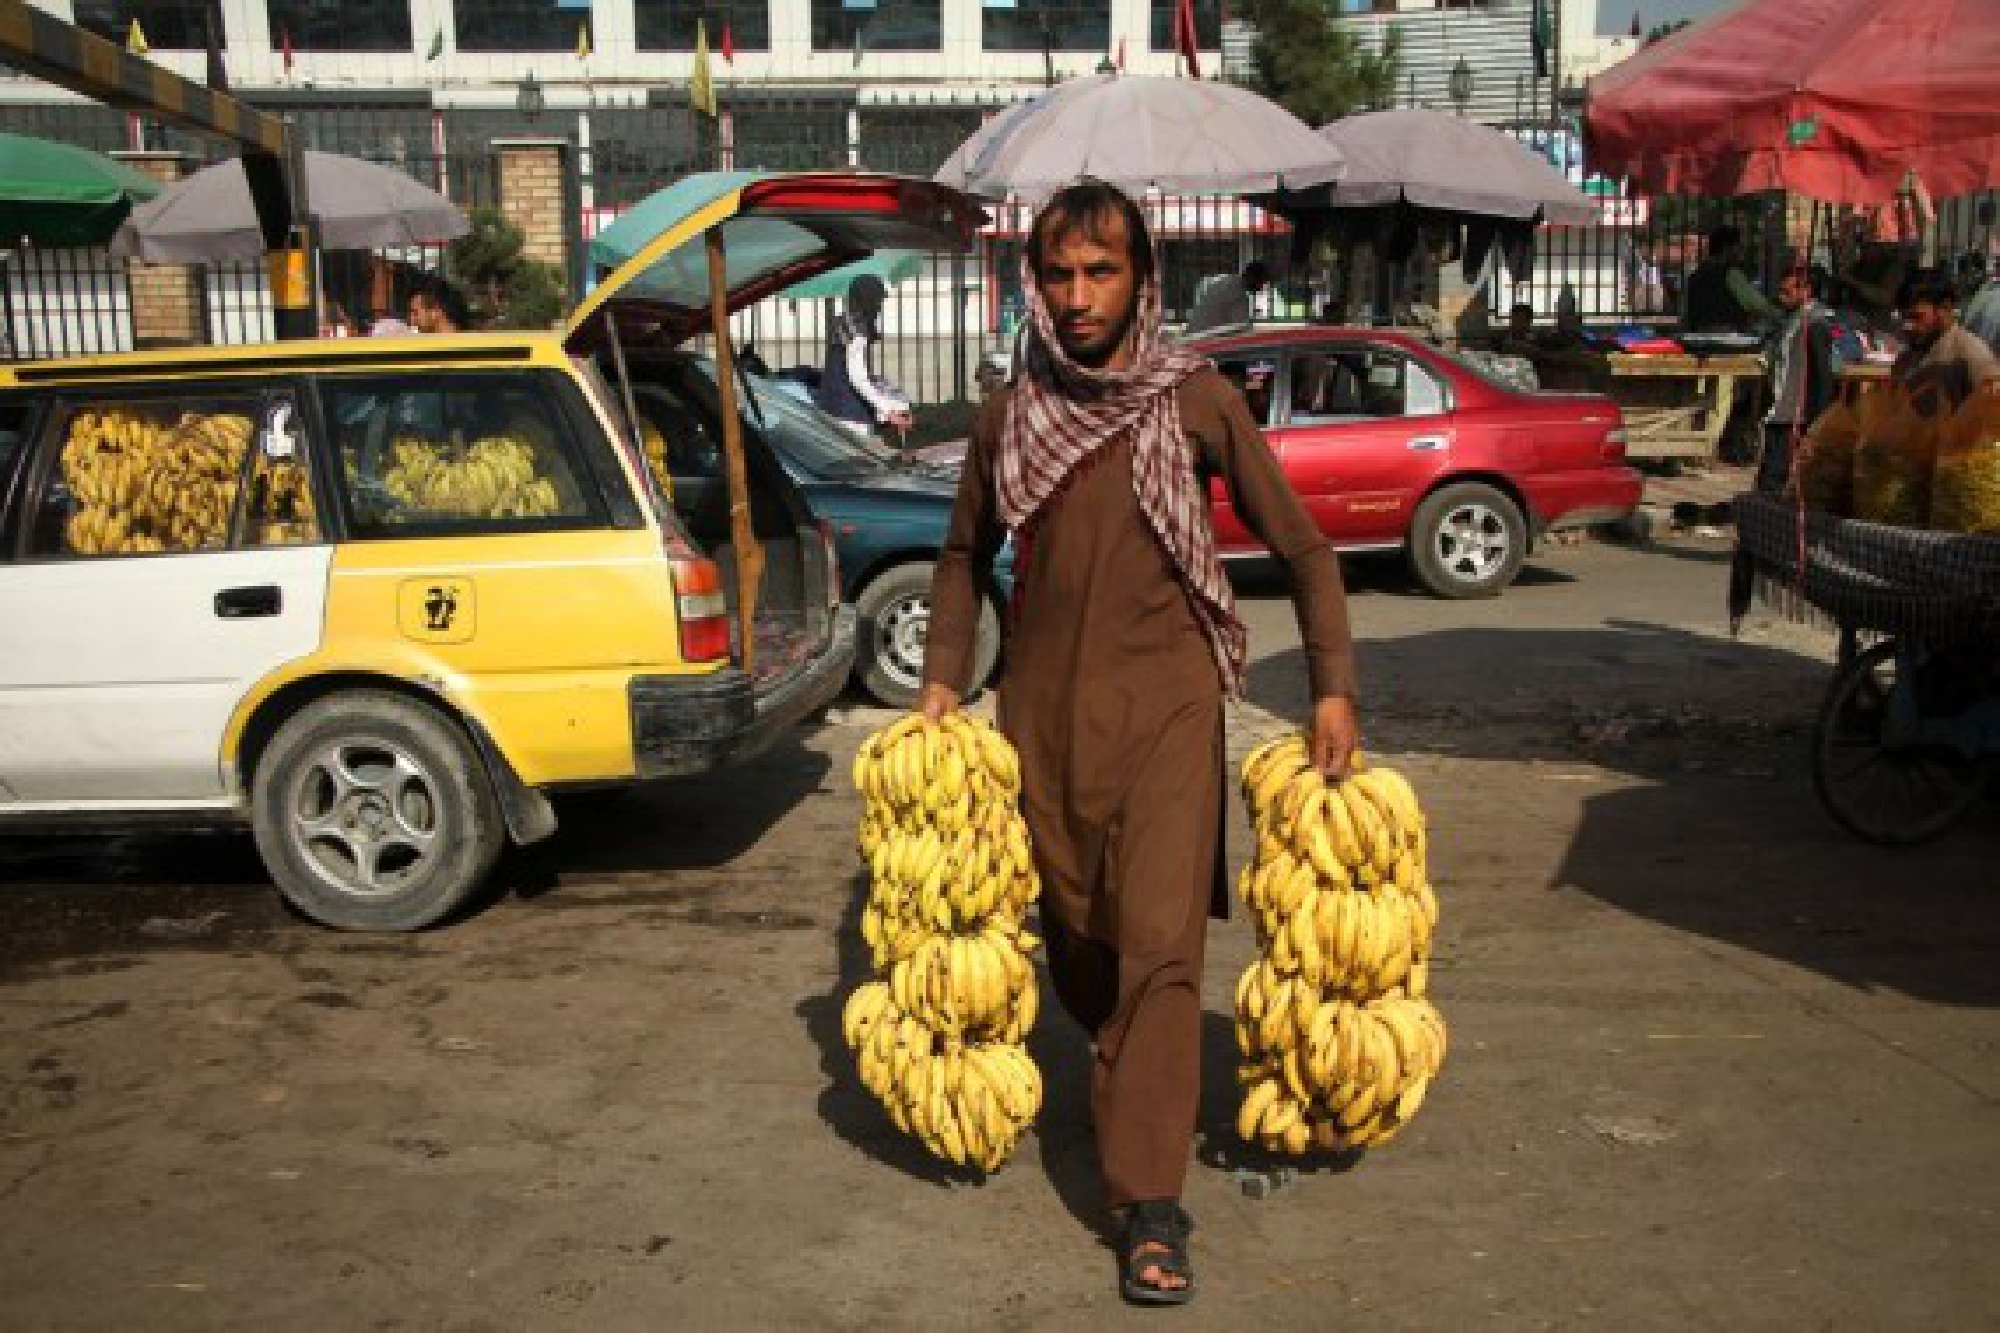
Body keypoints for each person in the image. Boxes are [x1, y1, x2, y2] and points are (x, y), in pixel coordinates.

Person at [918, 180, 1359, 1306]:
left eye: (1098, 272)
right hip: (1041, 727)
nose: (1076, 297)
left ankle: (1148, 1200)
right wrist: (936, 681)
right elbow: (964, 556)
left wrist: (1330, 690)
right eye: (1058, 274)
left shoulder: (1195, 399)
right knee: (1080, 946)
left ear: (1139, 278)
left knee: (1160, 951)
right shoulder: (1009, 416)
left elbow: (1305, 552)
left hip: (1168, 712)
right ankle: (1121, 1068)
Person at [1757, 267, 1836, 494]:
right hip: (1782, 412)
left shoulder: (1817, 324)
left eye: (1787, 292)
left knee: (1777, 480)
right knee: (1771, 480)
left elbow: (1823, 377)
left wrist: (1817, 421)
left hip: (1797, 416)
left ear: (1806, 291)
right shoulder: (1791, 321)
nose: (1781, 297)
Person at [815, 274, 912, 439]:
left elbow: (845, 370)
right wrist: (889, 412)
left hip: (831, 406)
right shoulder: (857, 331)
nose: (879, 307)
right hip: (849, 416)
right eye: (877, 301)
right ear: (868, 300)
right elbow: (857, 378)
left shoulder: (843, 321)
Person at [1893, 273, 2000, 408]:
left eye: (1916, 317)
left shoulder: (1970, 353)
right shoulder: (1908, 356)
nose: (1906, 326)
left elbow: (1992, 410)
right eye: (1903, 318)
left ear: (1944, 308)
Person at [1683, 225, 1779, 333]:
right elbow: (1759, 306)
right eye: (1739, 247)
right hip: (1730, 341)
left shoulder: (1695, 275)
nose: (1743, 251)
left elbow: (1686, 313)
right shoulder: (1730, 273)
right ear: (1727, 248)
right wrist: (1780, 316)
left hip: (1697, 341)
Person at [1183, 259, 1270, 335]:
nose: (1261, 287)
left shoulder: (1224, 282)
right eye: (1261, 282)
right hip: (1204, 345)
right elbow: (1242, 332)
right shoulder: (1238, 295)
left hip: (1191, 339)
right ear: (1253, 278)